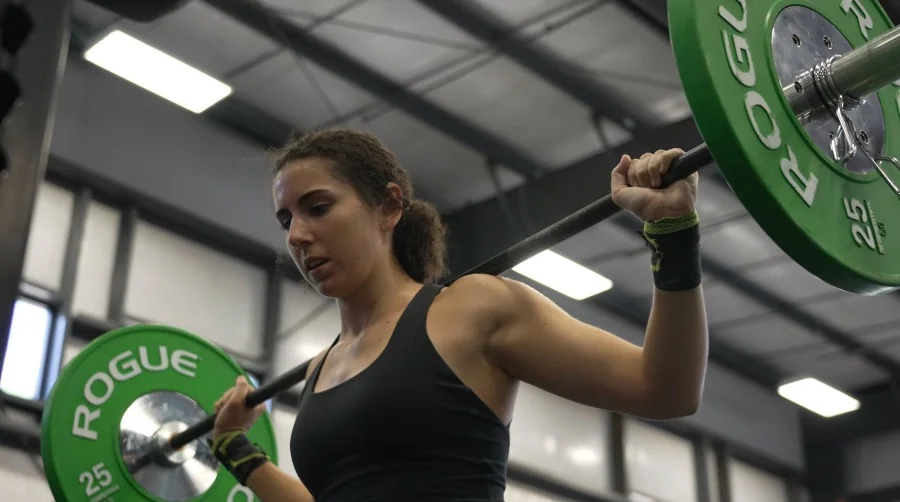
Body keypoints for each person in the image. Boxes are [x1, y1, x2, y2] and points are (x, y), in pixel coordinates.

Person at [209, 129, 707, 502]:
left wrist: (673, 232)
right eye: (286, 219)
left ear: (388, 207)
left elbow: (666, 390)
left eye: (317, 207)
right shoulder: (319, 369)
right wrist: (235, 448)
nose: (296, 235)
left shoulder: (472, 309)